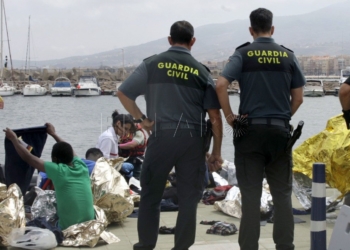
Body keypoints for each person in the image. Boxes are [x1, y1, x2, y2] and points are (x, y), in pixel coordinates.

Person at [117, 20, 223, 250]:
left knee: (151, 196)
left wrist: (141, 120)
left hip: (161, 136)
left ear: (169, 39)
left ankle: (146, 246)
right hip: (192, 141)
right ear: (192, 41)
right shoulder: (201, 71)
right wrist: (215, 152)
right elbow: (214, 115)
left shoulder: (152, 64)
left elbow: (123, 93)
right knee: (188, 201)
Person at [216, 8, 305, 250]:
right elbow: (298, 98)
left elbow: (221, 85)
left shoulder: (243, 53)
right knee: (282, 195)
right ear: (272, 29)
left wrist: (230, 117)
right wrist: (282, 117)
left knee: (252, 197)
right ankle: (285, 246)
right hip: (279, 133)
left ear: (251, 30)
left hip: (249, 133)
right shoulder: (288, 56)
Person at [3, 123, 95, 230]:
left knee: (36, 222)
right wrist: (53, 134)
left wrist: (14, 139)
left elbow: (29, 158)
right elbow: (68, 148)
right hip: (89, 222)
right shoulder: (81, 166)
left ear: (55, 159)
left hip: (69, 227)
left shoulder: (58, 170)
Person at [96, 110, 135, 179]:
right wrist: (120, 167)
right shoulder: (108, 138)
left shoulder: (114, 136)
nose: (126, 132)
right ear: (118, 123)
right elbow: (103, 162)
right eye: (125, 129)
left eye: (128, 130)